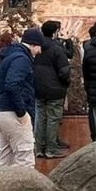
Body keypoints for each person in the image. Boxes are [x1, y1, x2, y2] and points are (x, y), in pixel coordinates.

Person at [0, 27, 43, 167]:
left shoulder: (9, 56)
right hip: (13, 113)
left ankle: (0, 188)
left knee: (6, 159)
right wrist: (22, 113)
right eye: (39, 47)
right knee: (25, 160)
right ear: (33, 45)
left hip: (1, 112)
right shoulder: (22, 59)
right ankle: (26, 189)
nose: (40, 51)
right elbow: (12, 85)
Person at [32, 20, 71, 159]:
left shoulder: (36, 48)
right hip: (55, 89)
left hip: (38, 88)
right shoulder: (57, 49)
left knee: (40, 118)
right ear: (55, 32)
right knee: (53, 119)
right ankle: (51, 148)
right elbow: (64, 71)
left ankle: (38, 148)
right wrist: (65, 83)